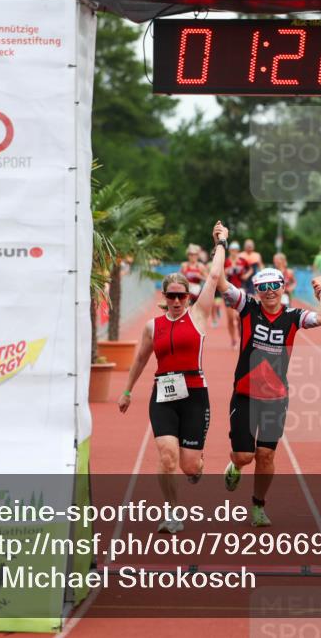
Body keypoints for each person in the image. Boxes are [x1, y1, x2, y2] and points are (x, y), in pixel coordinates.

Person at [118, 222, 229, 535]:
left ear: (189, 297)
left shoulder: (199, 314)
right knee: (167, 455)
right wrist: (127, 391)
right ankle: (171, 512)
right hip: (164, 395)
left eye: (182, 296)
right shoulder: (153, 326)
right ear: (164, 297)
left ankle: (197, 465)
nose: (177, 301)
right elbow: (141, 358)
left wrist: (220, 243)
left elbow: (214, 277)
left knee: (189, 465)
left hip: (194, 395)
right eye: (172, 296)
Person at [218, 264, 321, 527]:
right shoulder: (247, 307)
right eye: (263, 287)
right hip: (245, 394)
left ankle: (258, 506)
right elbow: (220, 281)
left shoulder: (293, 316)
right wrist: (220, 246)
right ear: (256, 290)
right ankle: (235, 465)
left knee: (266, 454)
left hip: (276, 398)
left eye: (274, 286)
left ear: (283, 287)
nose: (269, 292)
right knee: (245, 456)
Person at [224, 242, 246, 348]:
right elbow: (221, 275)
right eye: (232, 250)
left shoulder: (242, 261)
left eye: (236, 250)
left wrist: (246, 275)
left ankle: (241, 333)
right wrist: (226, 271)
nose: (234, 252)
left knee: (238, 316)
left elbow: (250, 269)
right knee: (230, 318)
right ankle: (233, 339)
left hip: (240, 289)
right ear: (230, 251)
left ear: (238, 251)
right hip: (228, 290)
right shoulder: (226, 262)